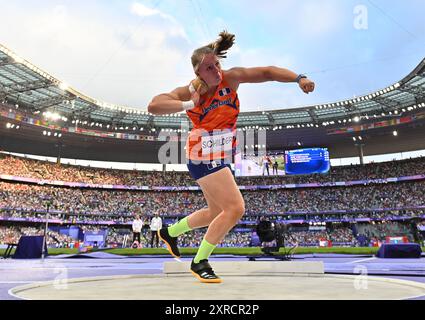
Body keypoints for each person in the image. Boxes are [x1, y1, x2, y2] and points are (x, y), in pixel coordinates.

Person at [149, 31, 315, 283]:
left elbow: (267, 72)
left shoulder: (231, 78)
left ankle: (169, 233)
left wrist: (298, 78)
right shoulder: (189, 91)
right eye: (208, 67)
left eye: (217, 64)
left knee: (216, 211)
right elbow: (154, 105)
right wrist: (188, 104)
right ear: (198, 73)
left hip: (221, 154)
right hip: (201, 153)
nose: (216, 70)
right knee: (236, 208)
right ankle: (200, 260)